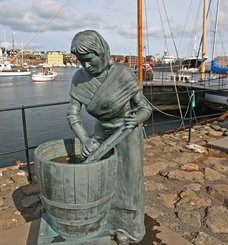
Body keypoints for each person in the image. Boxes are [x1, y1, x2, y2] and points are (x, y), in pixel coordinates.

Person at [67, 30, 152, 244]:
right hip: (101, 134)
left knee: (129, 183)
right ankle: (107, 222)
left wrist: (135, 120)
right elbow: (72, 114)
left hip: (127, 133)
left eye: (89, 59)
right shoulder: (79, 79)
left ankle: (130, 229)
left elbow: (145, 108)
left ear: (101, 52)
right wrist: (86, 140)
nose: (85, 65)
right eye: (80, 61)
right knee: (104, 182)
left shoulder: (122, 74)